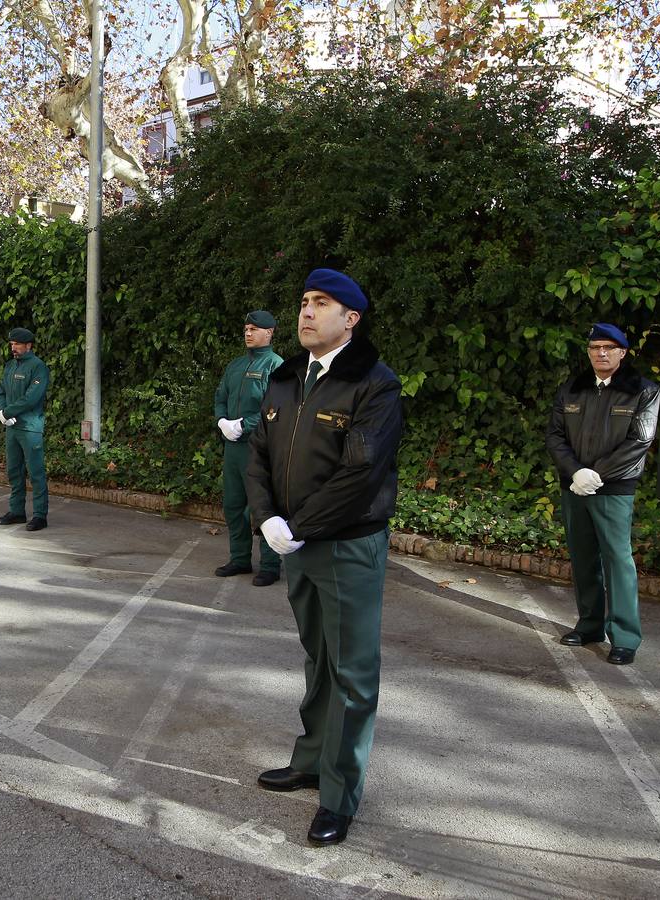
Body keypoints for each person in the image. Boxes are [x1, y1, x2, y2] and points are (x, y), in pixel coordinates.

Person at [245, 268, 404, 847]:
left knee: (353, 672)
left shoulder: (375, 385)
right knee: (318, 658)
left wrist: (298, 525)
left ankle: (339, 795)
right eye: (305, 301)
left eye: (322, 304)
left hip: (346, 546)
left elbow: (360, 474)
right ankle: (311, 760)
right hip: (295, 543)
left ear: (351, 319)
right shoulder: (287, 377)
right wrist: (267, 520)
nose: (307, 312)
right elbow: (257, 456)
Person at [546, 323, 660, 666]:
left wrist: (597, 474)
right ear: (589, 352)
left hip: (613, 488)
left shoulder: (643, 391)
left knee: (617, 560)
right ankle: (590, 625)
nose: (602, 353)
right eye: (595, 347)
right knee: (583, 557)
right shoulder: (573, 389)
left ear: (623, 353)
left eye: (609, 348)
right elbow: (554, 436)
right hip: (575, 484)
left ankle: (624, 637)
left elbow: (640, 440)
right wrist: (576, 472)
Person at [213, 311, 283, 585]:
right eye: (246, 328)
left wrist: (244, 424)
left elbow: (276, 409)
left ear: (270, 332)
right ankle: (240, 558)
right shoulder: (236, 365)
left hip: (259, 448)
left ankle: (270, 564)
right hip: (233, 449)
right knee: (233, 505)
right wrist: (222, 421)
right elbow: (220, 397)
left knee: (263, 507)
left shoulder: (276, 366)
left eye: (254, 329)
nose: (248, 333)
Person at [0, 327, 50, 531]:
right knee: (14, 471)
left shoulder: (38, 367)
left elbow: (32, 397)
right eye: (11, 344)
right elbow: (1, 391)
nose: (13, 348)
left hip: (30, 427)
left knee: (35, 472)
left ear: (29, 345)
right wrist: (2, 413)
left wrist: (7, 413)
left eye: (17, 344)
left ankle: (40, 515)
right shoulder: (10, 366)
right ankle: (17, 512)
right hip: (12, 427)